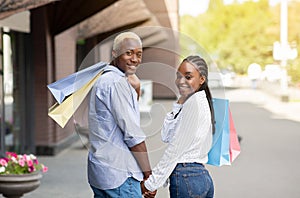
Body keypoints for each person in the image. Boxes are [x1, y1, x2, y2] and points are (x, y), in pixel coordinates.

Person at [88, 32, 154, 197]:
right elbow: (133, 135)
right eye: (129, 53)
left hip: (102, 172)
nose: (135, 59)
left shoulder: (104, 79)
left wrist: (136, 87)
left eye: (139, 54)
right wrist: (148, 175)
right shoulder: (117, 83)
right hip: (121, 176)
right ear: (115, 54)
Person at [141, 55, 215, 198]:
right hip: (201, 179)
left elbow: (174, 149)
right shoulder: (194, 101)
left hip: (187, 178)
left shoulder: (194, 104)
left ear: (202, 79)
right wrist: (179, 102)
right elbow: (166, 135)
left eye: (188, 77)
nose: (181, 81)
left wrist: (150, 184)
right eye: (178, 76)